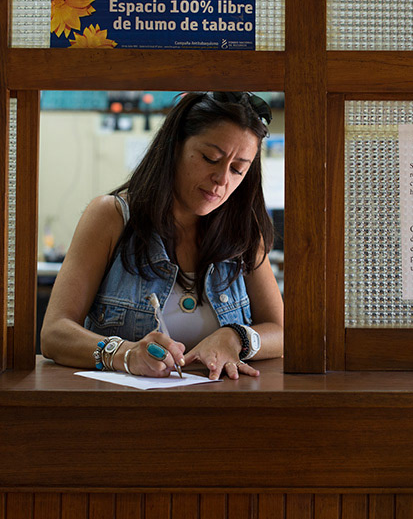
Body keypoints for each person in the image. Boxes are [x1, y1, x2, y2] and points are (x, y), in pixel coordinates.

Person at [40, 91, 283, 380]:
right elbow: (54, 333)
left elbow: (280, 332)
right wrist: (125, 354)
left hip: (221, 412)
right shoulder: (111, 216)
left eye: (237, 169)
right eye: (210, 158)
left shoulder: (243, 232)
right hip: (123, 411)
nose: (222, 180)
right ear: (175, 147)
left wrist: (237, 337)